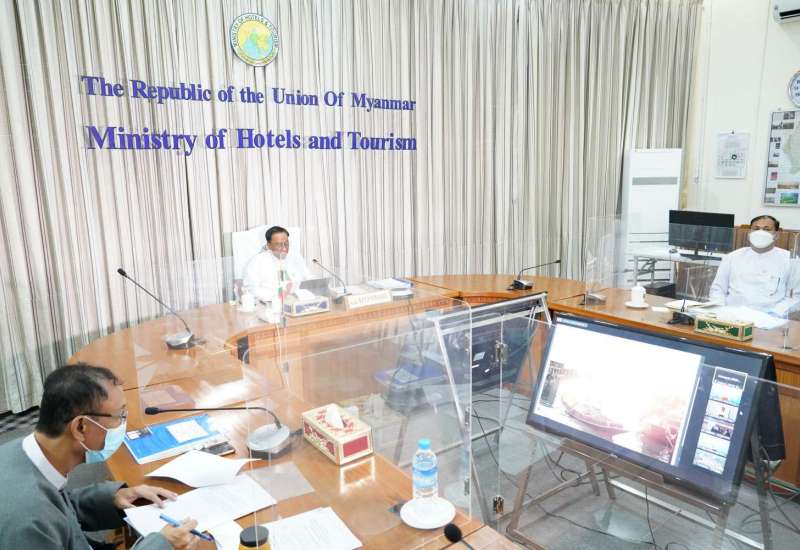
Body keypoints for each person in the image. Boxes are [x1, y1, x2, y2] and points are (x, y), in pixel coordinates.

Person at [0, 364, 199, 549]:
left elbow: (59, 507)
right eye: (119, 416)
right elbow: (44, 519)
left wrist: (112, 499)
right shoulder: (27, 523)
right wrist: (162, 544)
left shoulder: (23, 453)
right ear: (81, 427)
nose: (123, 425)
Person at [709, 215, 798, 315]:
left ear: (776, 235)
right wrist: (719, 312)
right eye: (756, 229)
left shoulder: (791, 260)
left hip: (770, 319)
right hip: (732, 316)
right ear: (749, 234)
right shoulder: (733, 257)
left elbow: (795, 296)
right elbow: (718, 289)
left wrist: (775, 314)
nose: (760, 232)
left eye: (767, 229)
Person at [243, 225, 312, 302]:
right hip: (270, 304)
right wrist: (277, 297)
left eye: (286, 243)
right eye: (279, 244)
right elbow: (250, 289)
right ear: (269, 245)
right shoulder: (257, 262)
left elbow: (308, 280)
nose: (284, 248)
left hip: (296, 302)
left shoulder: (295, 258)